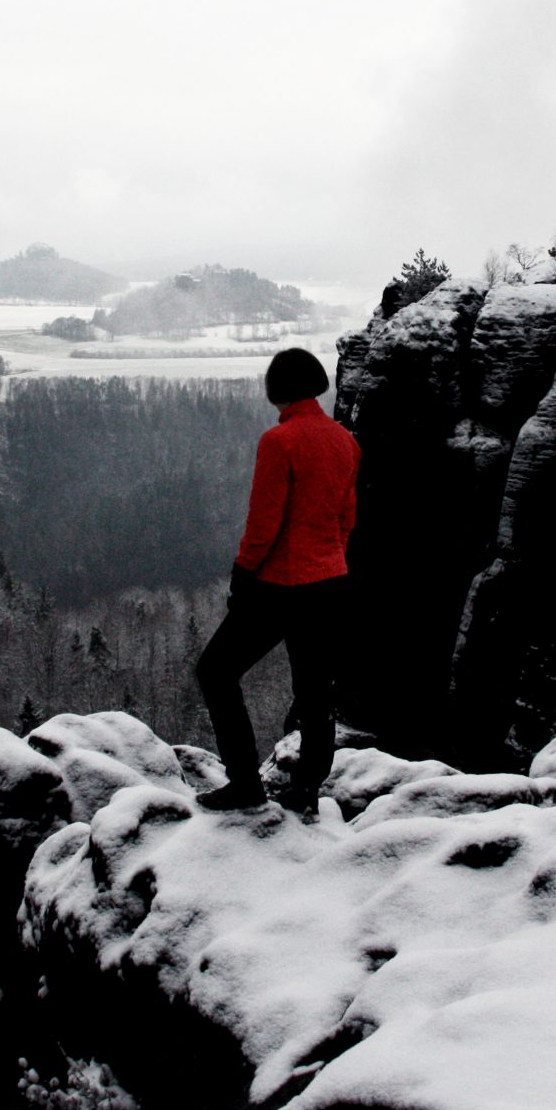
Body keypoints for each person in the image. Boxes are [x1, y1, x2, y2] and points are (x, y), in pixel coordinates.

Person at [194, 346, 359, 811]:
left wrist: (242, 575)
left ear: (276, 389)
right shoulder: (345, 441)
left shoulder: (278, 441)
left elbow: (264, 522)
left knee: (216, 671)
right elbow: (347, 519)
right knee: (314, 689)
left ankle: (245, 782)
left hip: (279, 584)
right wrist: (330, 560)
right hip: (330, 583)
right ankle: (307, 788)